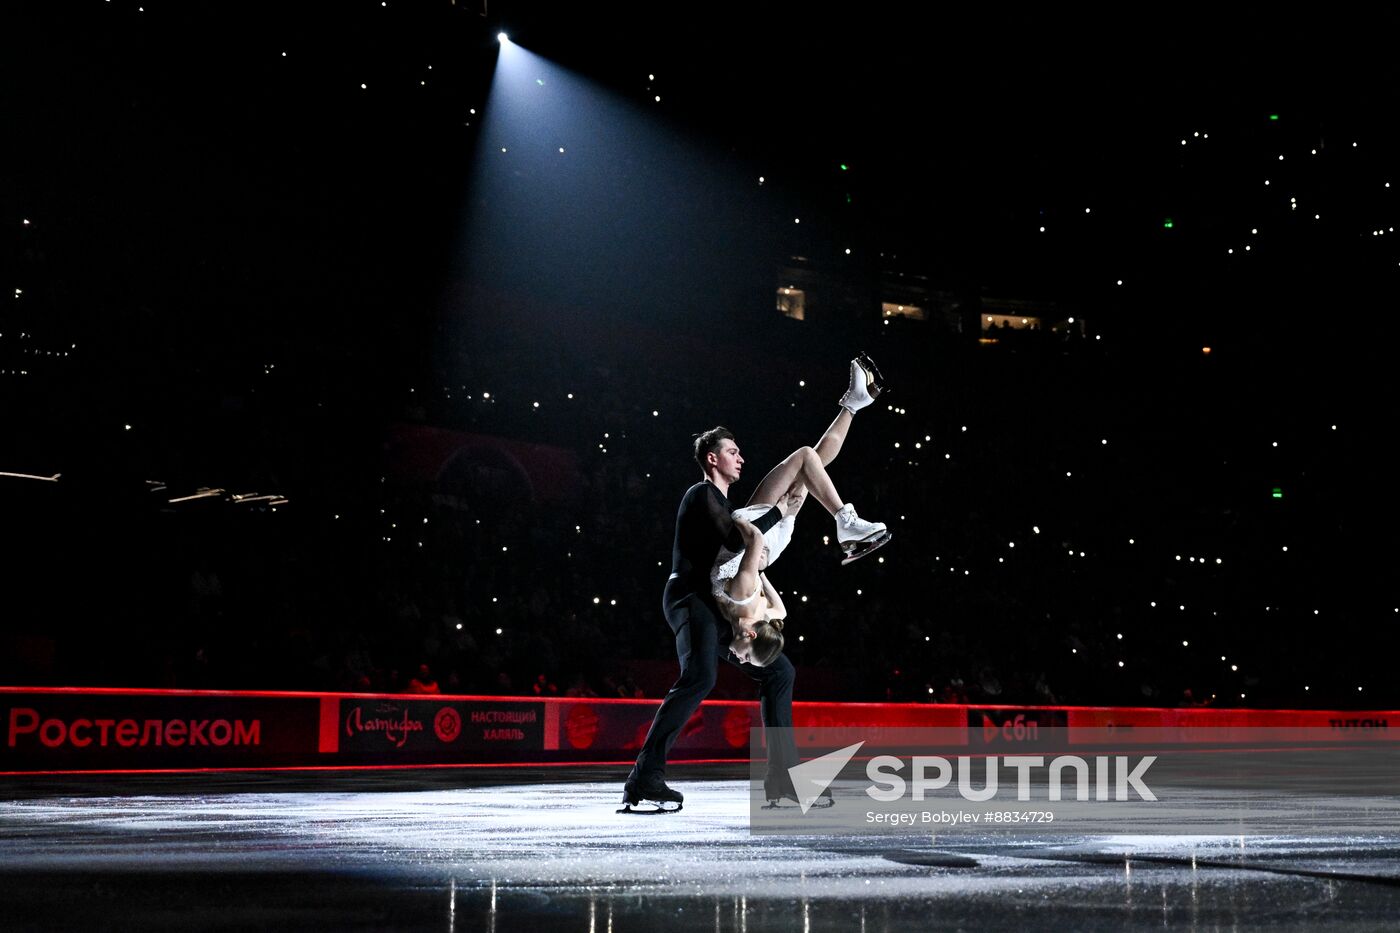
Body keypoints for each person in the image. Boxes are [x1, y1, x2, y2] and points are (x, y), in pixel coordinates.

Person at [620, 354, 886, 811]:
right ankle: (644, 777)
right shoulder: (700, 494)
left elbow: (815, 458)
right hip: (691, 596)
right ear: (711, 458)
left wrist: (848, 412)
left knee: (780, 673)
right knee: (700, 677)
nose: (741, 457)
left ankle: (783, 781)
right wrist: (782, 513)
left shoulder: (744, 508)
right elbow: (732, 534)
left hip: (727, 586)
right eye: (732, 451)